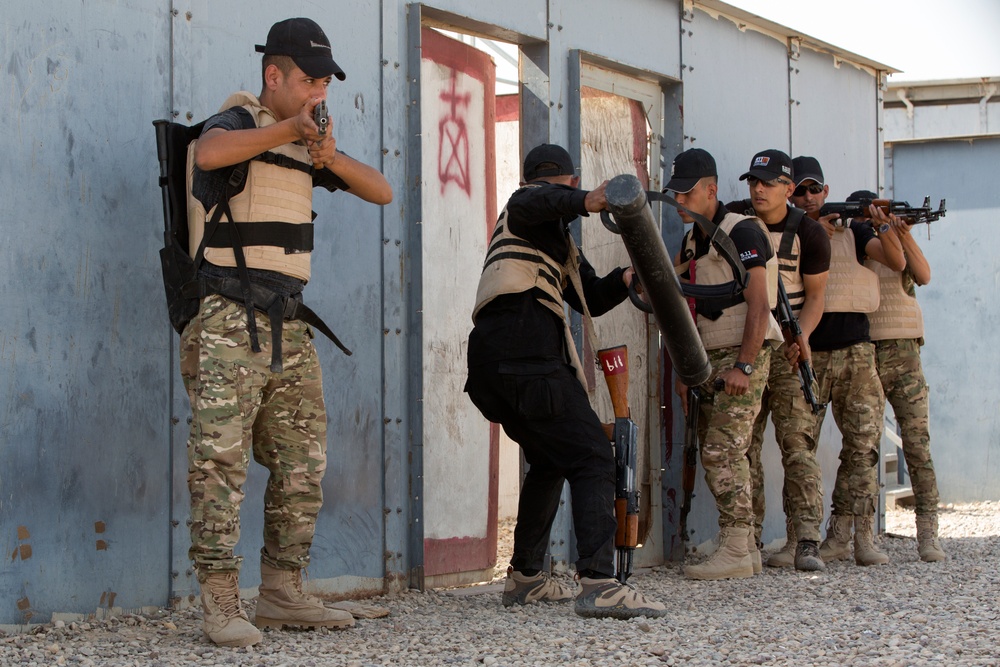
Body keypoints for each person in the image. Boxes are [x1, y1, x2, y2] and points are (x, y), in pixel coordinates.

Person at [181, 18, 392, 647]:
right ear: (274, 76)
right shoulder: (239, 125)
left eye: (324, 83)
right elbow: (207, 154)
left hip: (288, 323)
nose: (317, 95)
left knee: (302, 464)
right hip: (227, 317)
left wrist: (329, 156)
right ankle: (220, 599)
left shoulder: (304, 142)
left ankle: (281, 591)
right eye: (308, 81)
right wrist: (292, 129)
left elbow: (380, 191)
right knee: (220, 463)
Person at [464, 143, 666, 619]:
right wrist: (591, 201)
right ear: (573, 185)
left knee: (550, 460)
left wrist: (625, 278)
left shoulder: (557, 243)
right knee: (594, 456)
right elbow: (535, 199)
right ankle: (600, 583)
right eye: (566, 191)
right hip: (526, 358)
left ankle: (526, 578)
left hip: (496, 367)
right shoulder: (524, 206)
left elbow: (590, 299)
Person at [669, 149, 784, 580]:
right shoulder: (692, 241)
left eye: (686, 194)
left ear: (711, 190)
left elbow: (760, 305)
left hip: (740, 355)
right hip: (707, 360)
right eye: (673, 194)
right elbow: (689, 309)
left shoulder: (743, 232)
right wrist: (685, 371)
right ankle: (744, 547)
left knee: (722, 449)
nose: (678, 202)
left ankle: (736, 546)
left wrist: (745, 366)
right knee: (722, 448)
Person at [788, 160, 905, 567]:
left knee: (863, 448)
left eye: (813, 189)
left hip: (856, 350)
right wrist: (814, 224)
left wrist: (882, 225)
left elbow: (898, 263)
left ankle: (852, 534)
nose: (807, 197)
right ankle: (799, 538)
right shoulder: (794, 230)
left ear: (825, 189)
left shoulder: (853, 231)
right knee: (799, 447)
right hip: (809, 353)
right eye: (800, 191)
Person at [730, 150, 831, 572]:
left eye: (768, 183)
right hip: (750, 345)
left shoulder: (809, 232)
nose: (758, 189)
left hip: (788, 348)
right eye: (754, 181)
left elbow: (817, 297)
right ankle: (746, 539)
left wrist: (801, 337)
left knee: (797, 444)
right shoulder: (735, 222)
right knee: (744, 444)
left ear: (789, 189)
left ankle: (805, 539)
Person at [858, 190, 947, 562]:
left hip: (905, 355)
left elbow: (923, 274)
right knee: (863, 448)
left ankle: (928, 533)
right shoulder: (860, 242)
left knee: (917, 446)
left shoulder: (895, 240)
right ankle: (862, 533)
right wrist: (881, 231)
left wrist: (902, 232)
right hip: (870, 353)